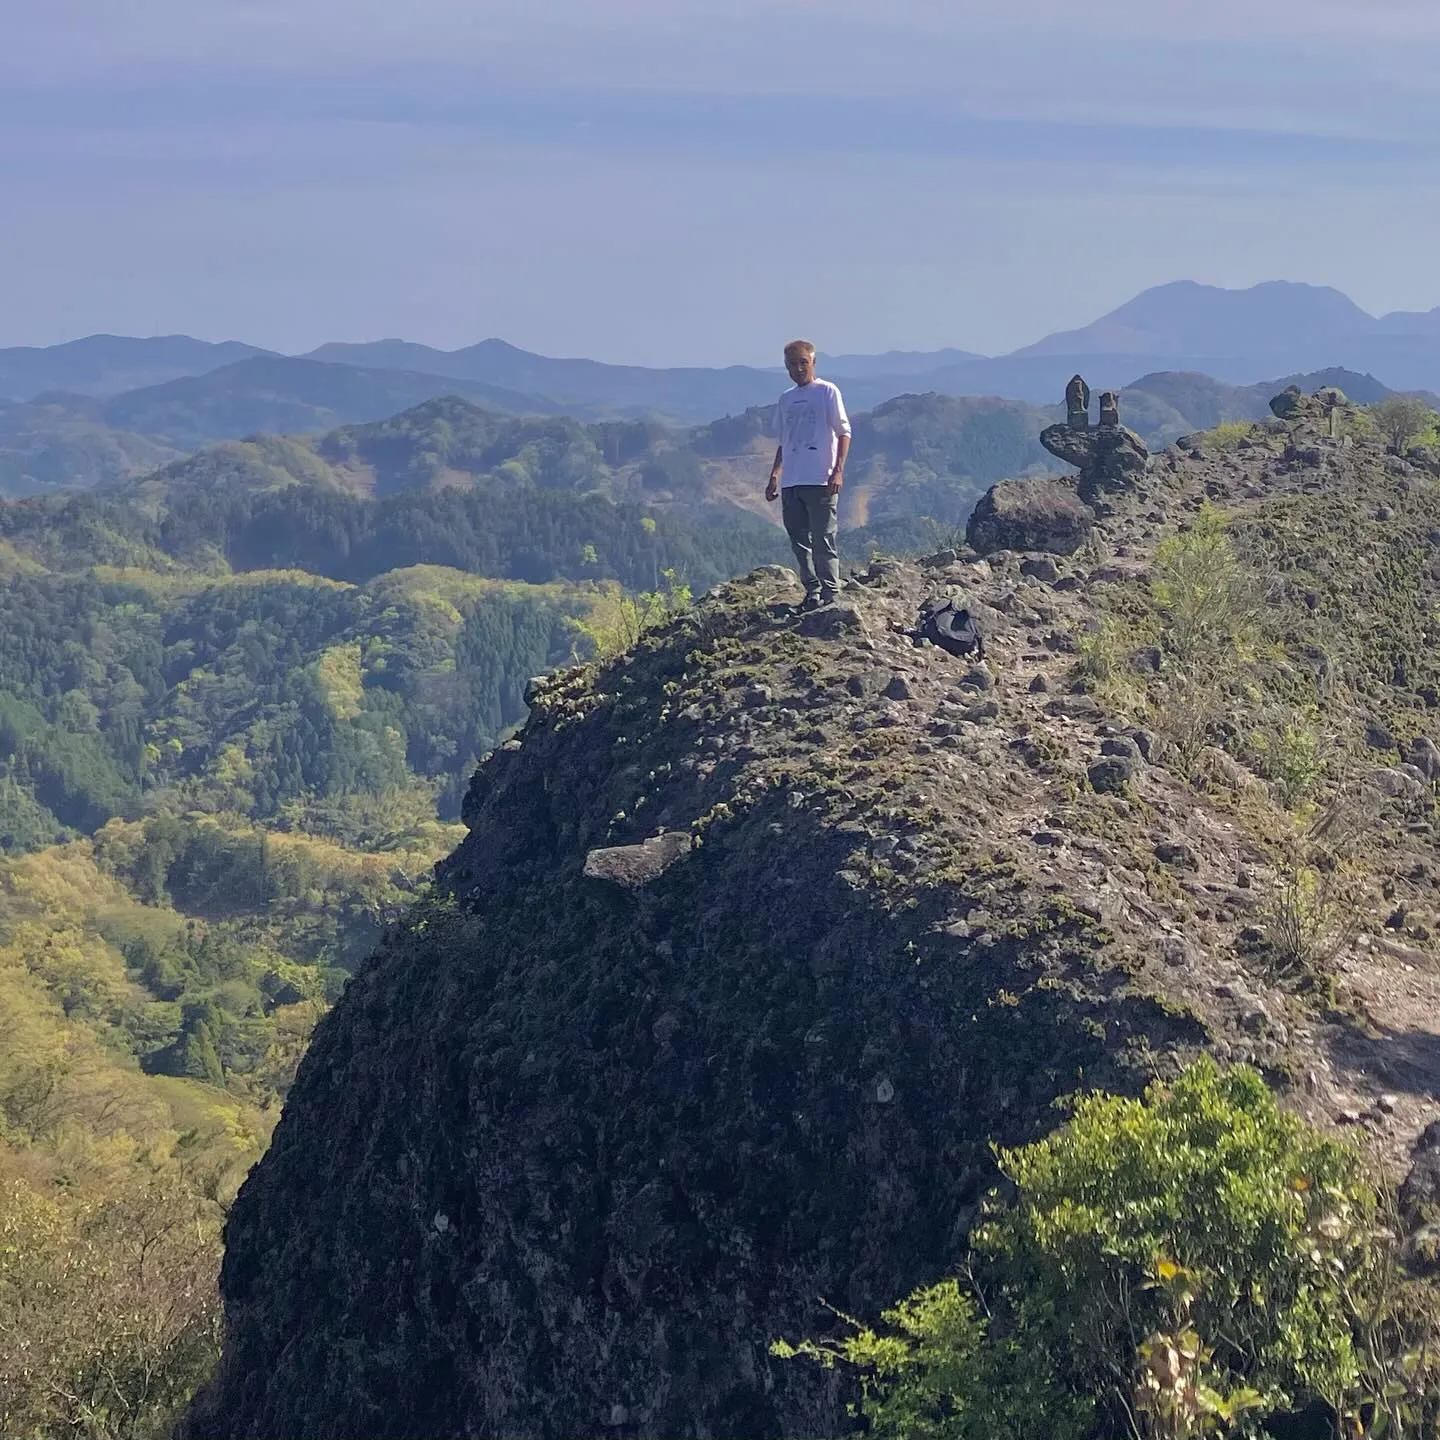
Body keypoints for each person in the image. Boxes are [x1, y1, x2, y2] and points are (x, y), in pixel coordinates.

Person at [766, 340, 851, 610]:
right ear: (786, 367)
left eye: (803, 362)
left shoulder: (827, 392)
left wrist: (838, 471)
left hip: (820, 479)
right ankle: (812, 590)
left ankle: (831, 592)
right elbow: (784, 440)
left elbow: (843, 432)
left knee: (823, 537)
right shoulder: (785, 399)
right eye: (793, 364)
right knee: (799, 540)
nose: (799, 368)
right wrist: (775, 475)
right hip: (792, 480)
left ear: (813, 362)